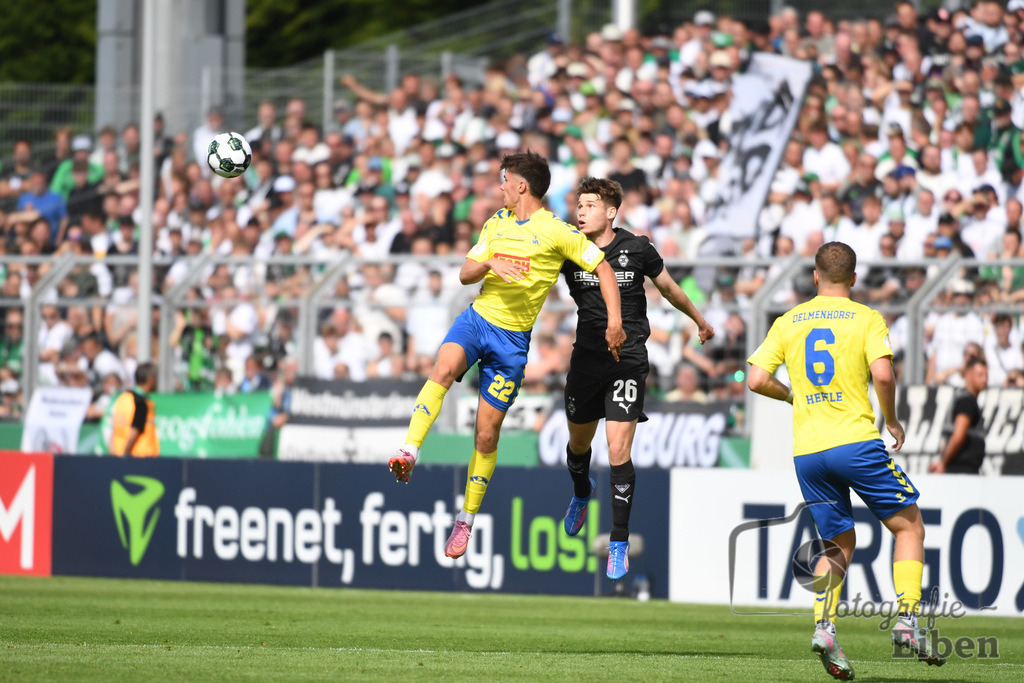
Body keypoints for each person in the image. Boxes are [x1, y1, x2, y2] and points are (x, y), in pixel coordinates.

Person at [387, 151, 625, 559]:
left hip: (511, 342)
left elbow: (603, 268)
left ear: (521, 185)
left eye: (505, 180)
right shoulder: (496, 222)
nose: (500, 187)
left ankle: (465, 520)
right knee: (442, 368)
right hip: (477, 320)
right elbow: (465, 272)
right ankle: (410, 450)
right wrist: (491, 263)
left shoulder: (557, 231)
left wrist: (614, 322)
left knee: (486, 434)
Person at [747, 242, 942, 679]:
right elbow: (884, 374)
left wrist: (792, 396)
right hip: (855, 442)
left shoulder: (789, 320)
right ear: (853, 278)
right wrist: (891, 420)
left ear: (815, 276)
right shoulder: (866, 318)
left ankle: (825, 628)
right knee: (909, 527)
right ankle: (908, 620)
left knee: (838, 543)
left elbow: (757, 379)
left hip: (807, 451)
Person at [558, 177, 713, 580]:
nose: (581, 211)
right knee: (578, 445)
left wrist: (699, 320)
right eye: (579, 205)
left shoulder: (637, 248)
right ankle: (581, 491)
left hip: (627, 360)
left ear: (611, 212)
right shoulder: (567, 247)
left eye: (590, 205)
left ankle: (618, 541)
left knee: (617, 450)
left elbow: (669, 288)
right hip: (586, 361)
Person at [930, 357, 988, 474]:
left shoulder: (963, 398)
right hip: (962, 469)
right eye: (980, 375)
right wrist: (943, 463)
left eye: (986, 375)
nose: (985, 379)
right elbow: (958, 436)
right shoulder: (967, 401)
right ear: (968, 374)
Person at [109, 362, 160, 458]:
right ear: (150, 380)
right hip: (140, 458)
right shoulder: (141, 403)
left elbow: (113, 431)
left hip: (117, 456)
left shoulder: (122, 398)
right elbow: (135, 431)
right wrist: (126, 455)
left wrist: (115, 457)